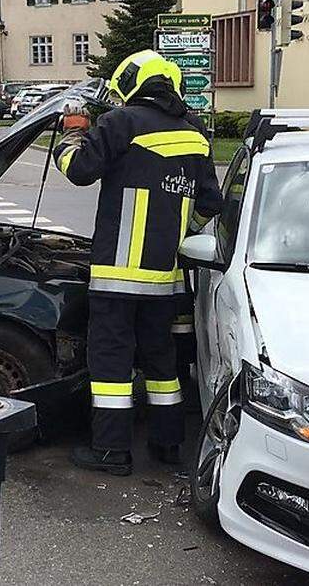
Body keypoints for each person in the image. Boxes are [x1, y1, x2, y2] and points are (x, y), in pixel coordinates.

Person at [53, 50, 223, 476]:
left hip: (117, 274)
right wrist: (180, 231)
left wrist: (71, 136)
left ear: (132, 83)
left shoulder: (121, 123)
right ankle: (169, 445)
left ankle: (111, 451)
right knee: (162, 362)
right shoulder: (195, 135)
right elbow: (210, 203)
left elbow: (79, 170)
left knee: (111, 361)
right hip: (164, 279)